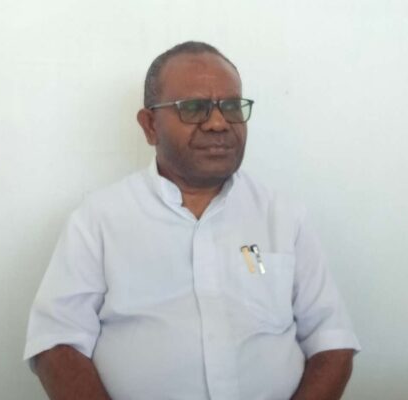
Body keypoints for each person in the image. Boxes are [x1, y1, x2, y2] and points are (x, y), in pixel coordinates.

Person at [24, 41, 361, 400]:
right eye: (194, 108)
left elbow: (332, 342)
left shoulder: (283, 216)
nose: (218, 123)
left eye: (231, 106)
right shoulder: (98, 220)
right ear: (150, 125)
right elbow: (56, 342)